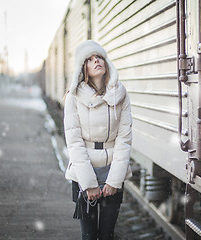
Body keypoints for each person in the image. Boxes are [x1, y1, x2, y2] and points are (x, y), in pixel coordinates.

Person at [63, 40, 132, 240]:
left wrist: (114, 180)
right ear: (83, 67)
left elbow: (124, 139)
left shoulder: (120, 94)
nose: (96, 61)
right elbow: (74, 142)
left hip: (112, 170)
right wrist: (89, 183)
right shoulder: (73, 97)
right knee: (89, 236)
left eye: (99, 57)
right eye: (90, 59)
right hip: (84, 173)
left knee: (107, 235)